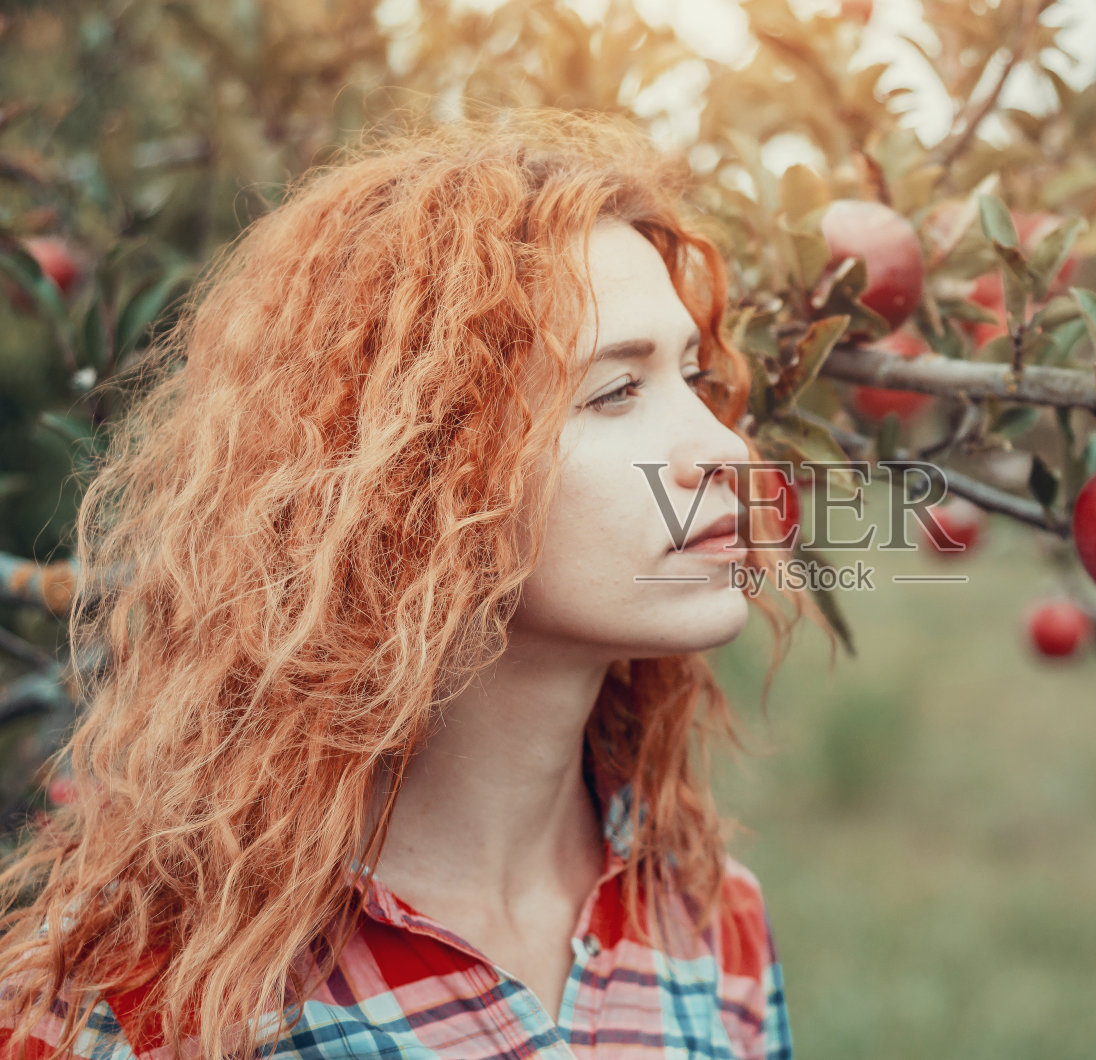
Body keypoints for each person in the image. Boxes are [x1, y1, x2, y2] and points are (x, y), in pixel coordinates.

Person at [0, 108, 831, 1060]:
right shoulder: (148, 1000)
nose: (725, 448)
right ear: (411, 477)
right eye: (615, 392)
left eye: (696, 377)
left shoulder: (707, 921)